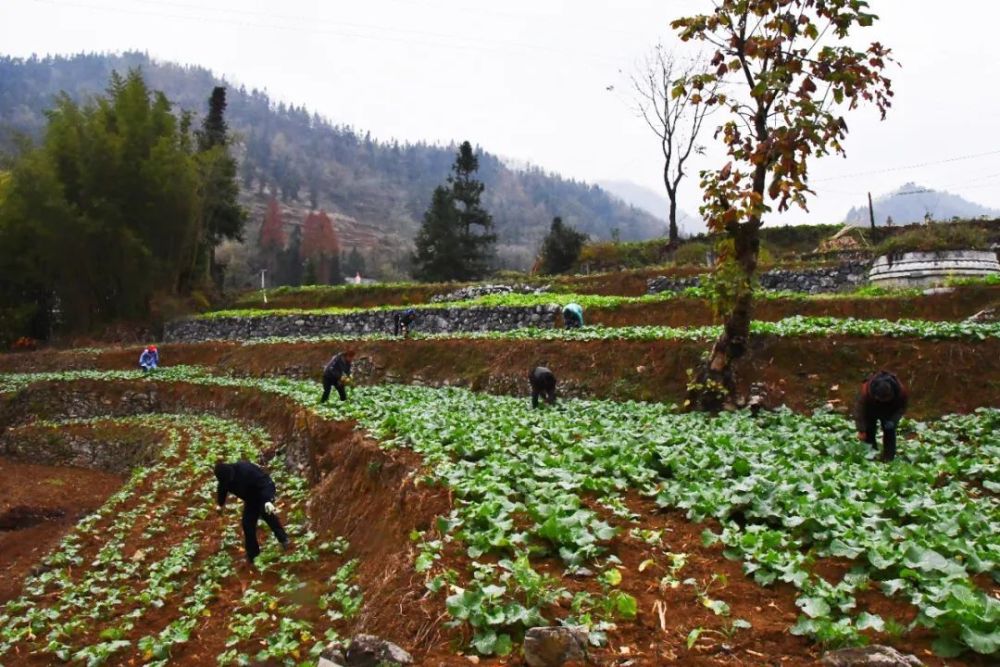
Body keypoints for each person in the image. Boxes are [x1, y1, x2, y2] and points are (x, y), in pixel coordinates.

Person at [214, 461, 289, 565]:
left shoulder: (246, 470)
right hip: (250, 499)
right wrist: (220, 504)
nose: (229, 483)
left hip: (262, 493)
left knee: (268, 515)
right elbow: (222, 489)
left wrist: (268, 500)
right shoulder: (225, 480)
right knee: (247, 524)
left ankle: (284, 540)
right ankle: (253, 555)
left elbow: (266, 483)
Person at [854, 370, 908, 462]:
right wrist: (861, 429)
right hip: (871, 409)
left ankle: (888, 458)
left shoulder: (900, 392)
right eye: (881, 399)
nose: (883, 401)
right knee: (869, 431)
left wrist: (893, 420)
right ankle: (871, 456)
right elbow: (859, 411)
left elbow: (901, 408)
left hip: (890, 410)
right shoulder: (866, 392)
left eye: (886, 399)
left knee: (889, 432)